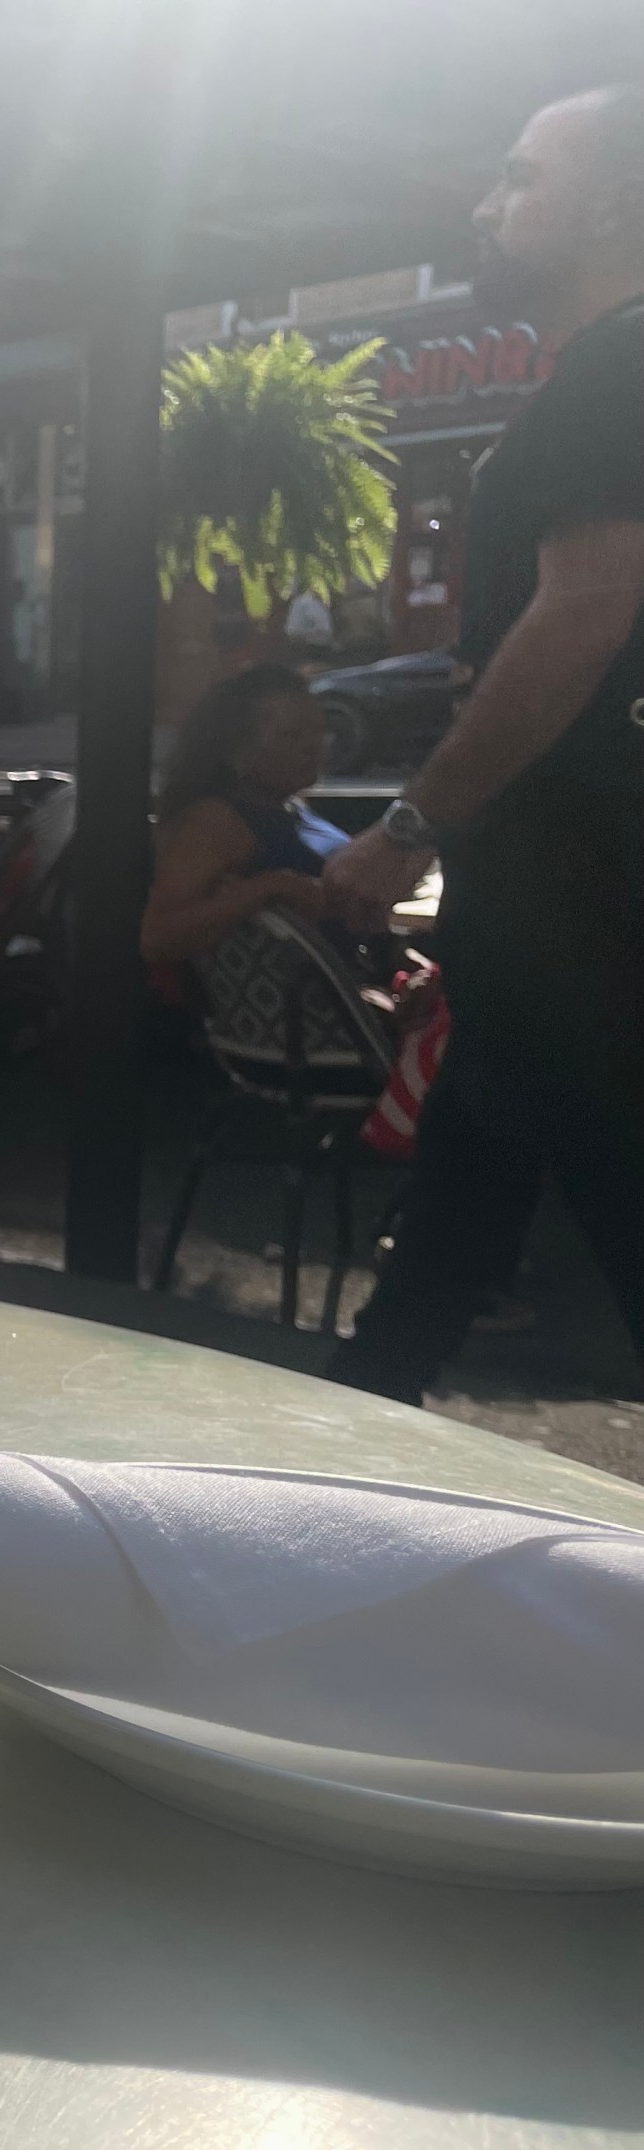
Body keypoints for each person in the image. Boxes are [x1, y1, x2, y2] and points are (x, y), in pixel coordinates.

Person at [320, 84, 644, 1404]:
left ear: (616, 202)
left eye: (521, 177)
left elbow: (582, 611)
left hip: (582, 914)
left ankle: (326, 1462)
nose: (485, 203)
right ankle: (331, 1460)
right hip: (555, 919)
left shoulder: (622, 364)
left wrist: (407, 827)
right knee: (455, 1222)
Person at [139, 664, 355, 966]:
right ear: (236, 750)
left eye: (319, 731)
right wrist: (270, 888)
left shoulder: (287, 807)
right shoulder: (215, 821)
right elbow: (158, 936)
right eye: (292, 736)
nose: (313, 747)